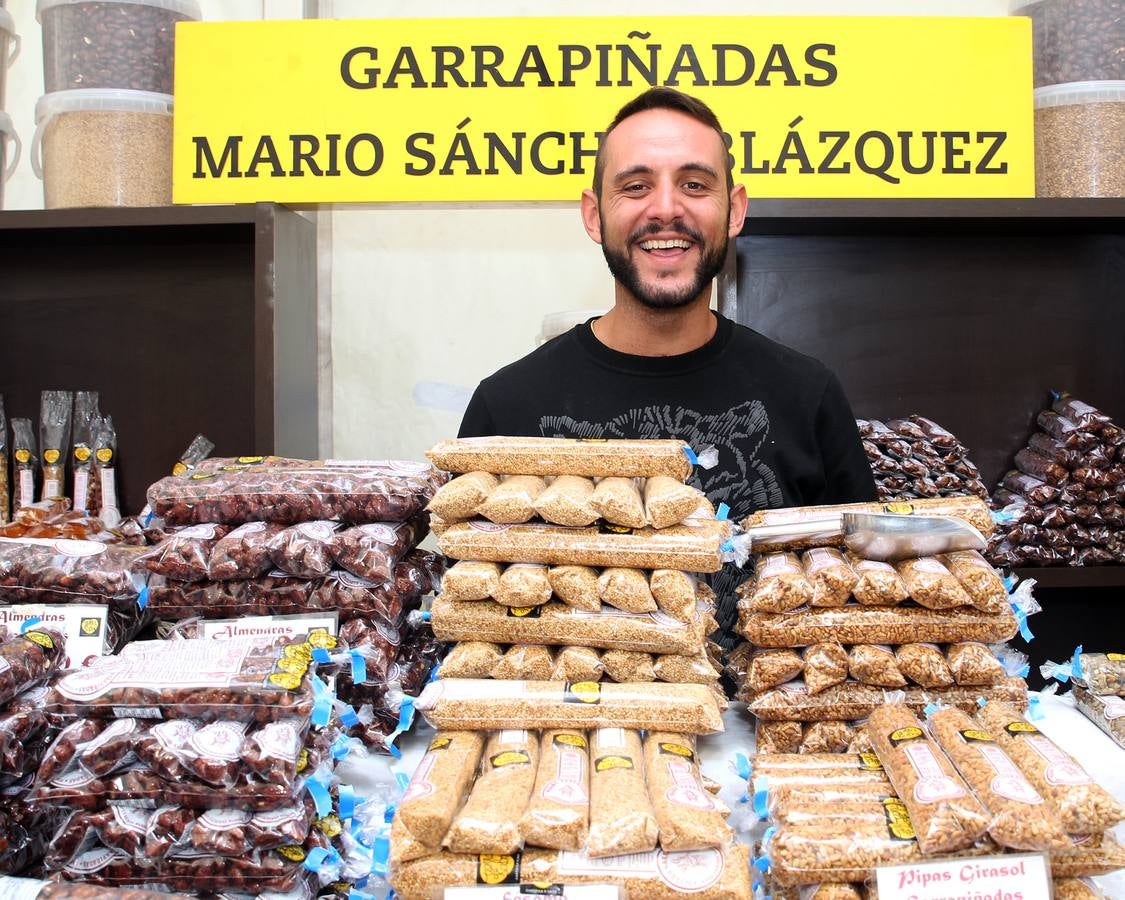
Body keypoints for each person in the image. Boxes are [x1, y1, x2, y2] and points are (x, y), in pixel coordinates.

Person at [459, 86, 877, 645]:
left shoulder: (807, 395)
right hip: (568, 725)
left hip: (765, 724)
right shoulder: (507, 408)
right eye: (635, 186)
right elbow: (470, 616)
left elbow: (866, 602)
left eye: (695, 185)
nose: (665, 209)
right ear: (593, 215)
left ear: (735, 211)